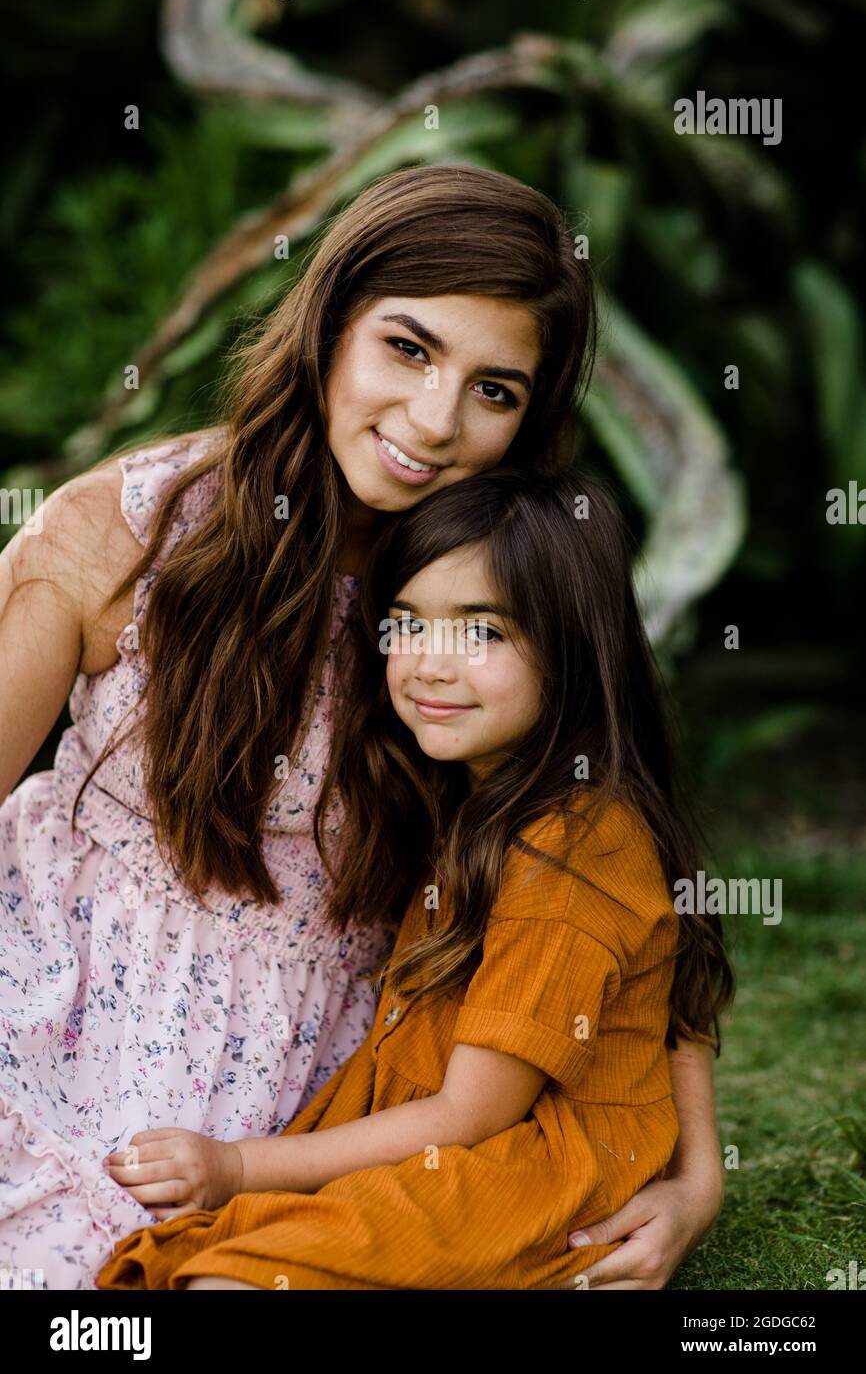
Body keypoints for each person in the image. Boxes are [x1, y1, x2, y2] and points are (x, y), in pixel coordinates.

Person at [0, 163, 723, 1291]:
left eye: (495, 390)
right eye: (409, 347)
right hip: (58, 978)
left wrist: (694, 1175)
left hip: (326, 1063)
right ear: (329, 323)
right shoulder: (121, 534)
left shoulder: (496, 590)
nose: (433, 423)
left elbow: (619, 883)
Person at [95, 465, 734, 1290]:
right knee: (217, 1260)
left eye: (482, 632)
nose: (430, 665)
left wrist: (236, 1165)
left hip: (521, 1166)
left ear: (577, 647)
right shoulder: (471, 790)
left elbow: (476, 1111)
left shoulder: (573, 847)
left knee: (240, 1277)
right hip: (442, 1133)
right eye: (406, 625)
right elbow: (674, 994)